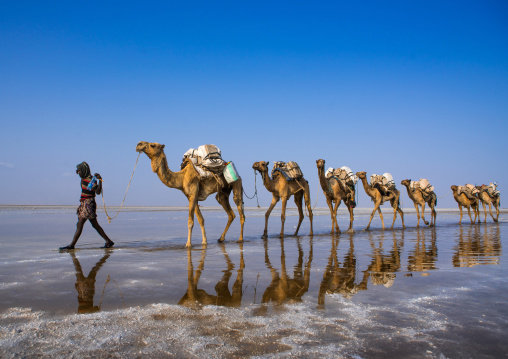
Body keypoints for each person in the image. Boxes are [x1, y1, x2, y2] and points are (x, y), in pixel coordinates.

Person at [59, 162, 115, 250]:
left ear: (84, 170)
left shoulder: (91, 180)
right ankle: (108, 241)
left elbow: (98, 192)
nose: (78, 173)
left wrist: (100, 181)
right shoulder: (83, 179)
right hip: (84, 203)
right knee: (93, 225)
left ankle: (71, 245)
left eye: (79, 171)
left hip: (89, 204)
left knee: (80, 224)